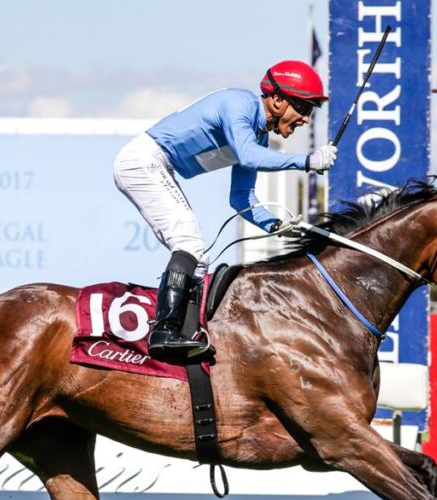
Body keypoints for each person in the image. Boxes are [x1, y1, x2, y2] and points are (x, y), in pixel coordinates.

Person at [113, 60, 336, 361]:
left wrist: (275, 225)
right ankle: (164, 332)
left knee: (200, 260)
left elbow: (242, 198)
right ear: (279, 100)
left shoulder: (257, 135)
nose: (306, 120)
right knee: (189, 243)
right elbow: (248, 156)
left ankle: (185, 336)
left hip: (159, 166)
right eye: (305, 109)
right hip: (143, 161)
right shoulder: (239, 106)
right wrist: (307, 162)